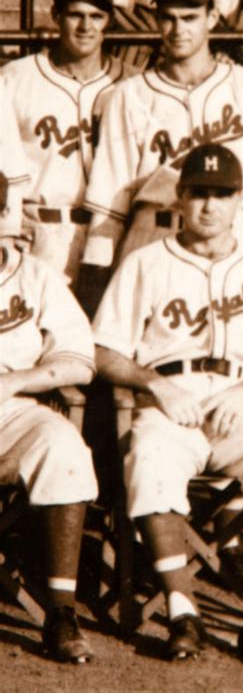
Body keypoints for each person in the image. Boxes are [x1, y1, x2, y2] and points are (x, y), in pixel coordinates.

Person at [93, 143, 243, 669]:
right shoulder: (146, 262)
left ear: (242, 200)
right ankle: (181, 610)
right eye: (199, 193)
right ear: (180, 197)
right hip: (173, 403)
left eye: (222, 195)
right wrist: (156, 385)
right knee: (149, 459)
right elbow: (105, 352)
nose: (209, 206)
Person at [78, 0, 243, 318]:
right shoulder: (129, 94)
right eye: (168, 17)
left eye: (190, 17)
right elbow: (109, 206)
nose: (177, 29)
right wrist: (96, 280)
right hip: (152, 235)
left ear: (212, 17)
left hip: (230, 240)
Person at [0, 164, 98, 662]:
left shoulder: (35, 277)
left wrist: (19, 379)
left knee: (64, 446)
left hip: (12, 408)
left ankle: (60, 610)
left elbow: (79, 360)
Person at [1, 0, 139, 286]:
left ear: (110, 21)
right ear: (56, 16)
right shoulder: (15, 79)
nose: (85, 26)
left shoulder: (134, 85)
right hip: (39, 234)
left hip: (110, 235)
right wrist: (6, 228)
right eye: (75, 14)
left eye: (96, 16)